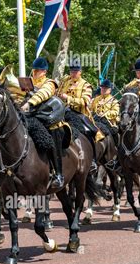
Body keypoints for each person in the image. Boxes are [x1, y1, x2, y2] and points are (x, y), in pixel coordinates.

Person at [21, 57, 65, 189]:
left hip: (49, 118)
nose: (35, 72)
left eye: (38, 70)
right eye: (34, 70)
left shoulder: (50, 83)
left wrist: (29, 102)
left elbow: (43, 94)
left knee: (52, 142)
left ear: (44, 71)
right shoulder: (29, 82)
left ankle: (58, 174)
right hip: (31, 117)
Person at [56, 60, 102, 171]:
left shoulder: (86, 85)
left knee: (88, 132)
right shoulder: (65, 81)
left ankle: (93, 160)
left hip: (79, 114)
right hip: (63, 112)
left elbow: (85, 101)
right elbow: (58, 93)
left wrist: (68, 98)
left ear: (80, 72)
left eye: (76, 71)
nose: (73, 74)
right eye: (72, 71)